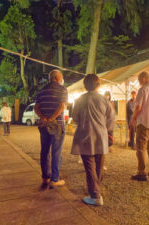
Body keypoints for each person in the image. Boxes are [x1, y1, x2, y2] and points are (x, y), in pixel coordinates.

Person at [71, 74, 115, 206]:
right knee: (99, 166)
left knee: (89, 166)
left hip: (85, 135)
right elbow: (111, 118)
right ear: (98, 85)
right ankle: (96, 189)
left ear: (85, 85)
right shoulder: (104, 100)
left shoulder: (80, 100)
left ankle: (95, 195)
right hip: (101, 135)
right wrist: (106, 129)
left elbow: (75, 117)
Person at [35, 69, 68, 188]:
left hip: (43, 125)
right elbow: (62, 106)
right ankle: (54, 179)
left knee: (44, 151)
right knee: (56, 152)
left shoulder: (42, 91)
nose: (61, 79)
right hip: (57, 125)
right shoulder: (62, 89)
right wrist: (52, 118)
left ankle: (45, 177)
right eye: (61, 77)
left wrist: (43, 118)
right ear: (57, 78)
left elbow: (36, 107)